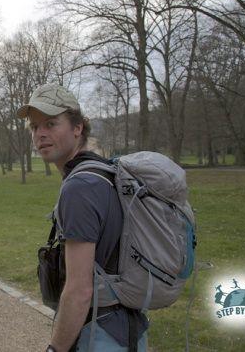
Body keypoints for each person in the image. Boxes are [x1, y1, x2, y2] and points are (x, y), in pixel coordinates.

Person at [17, 84, 148, 352]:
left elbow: (79, 291)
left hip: (98, 335)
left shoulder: (80, 188)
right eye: (34, 127)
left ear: (77, 128)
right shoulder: (102, 173)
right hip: (126, 329)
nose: (40, 134)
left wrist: (56, 349)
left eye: (51, 124)